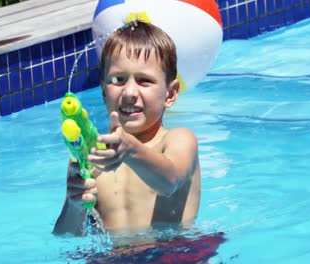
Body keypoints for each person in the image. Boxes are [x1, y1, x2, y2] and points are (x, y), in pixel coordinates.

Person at [53, 20, 201, 236]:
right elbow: (66, 237)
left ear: (170, 94)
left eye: (144, 81)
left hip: (174, 254)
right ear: (103, 90)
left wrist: (131, 150)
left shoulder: (178, 140)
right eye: (118, 79)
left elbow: (170, 181)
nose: (130, 91)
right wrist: (74, 203)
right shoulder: (91, 155)